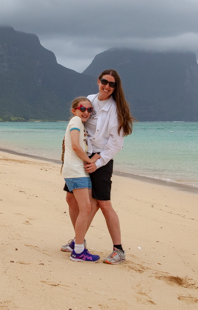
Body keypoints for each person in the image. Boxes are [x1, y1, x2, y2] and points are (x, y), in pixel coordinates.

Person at [61, 69, 135, 265]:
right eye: (105, 81)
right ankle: (79, 241)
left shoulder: (115, 109)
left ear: (115, 88)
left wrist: (98, 162)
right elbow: (78, 122)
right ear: (98, 81)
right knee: (71, 199)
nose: (107, 86)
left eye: (112, 84)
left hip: (100, 160)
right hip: (82, 159)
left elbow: (116, 143)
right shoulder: (90, 101)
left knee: (102, 203)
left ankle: (118, 250)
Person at [61, 97, 102, 262]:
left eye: (89, 110)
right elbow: (76, 146)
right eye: (82, 108)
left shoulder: (79, 123)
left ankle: (76, 245)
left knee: (83, 207)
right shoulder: (76, 121)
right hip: (76, 171)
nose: (86, 112)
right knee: (86, 209)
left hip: (75, 171)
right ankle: (78, 251)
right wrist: (91, 161)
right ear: (74, 110)